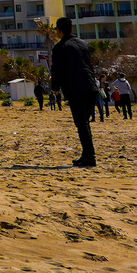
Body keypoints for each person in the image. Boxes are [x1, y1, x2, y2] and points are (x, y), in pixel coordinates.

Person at [49, 17, 97, 168]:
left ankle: (89, 157)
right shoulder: (83, 43)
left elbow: (57, 70)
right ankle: (86, 155)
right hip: (91, 87)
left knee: (81, 124)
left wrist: (55, 88)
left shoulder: (60, 47)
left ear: (59, 31)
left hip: (76, 88)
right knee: (85, 124)